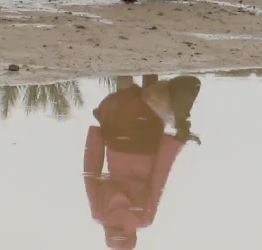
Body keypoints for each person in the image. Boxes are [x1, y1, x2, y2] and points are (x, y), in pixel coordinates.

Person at [84, 77, 196, 248]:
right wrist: (97, 136)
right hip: (118, 142)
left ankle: (149, 59)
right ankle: (124, 59)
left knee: (152, 95)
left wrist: (176, 143)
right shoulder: (100, 213)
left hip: (147, 142)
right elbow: (91, 172)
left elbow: (160, 175)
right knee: (124, 94)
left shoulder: (145, 218)